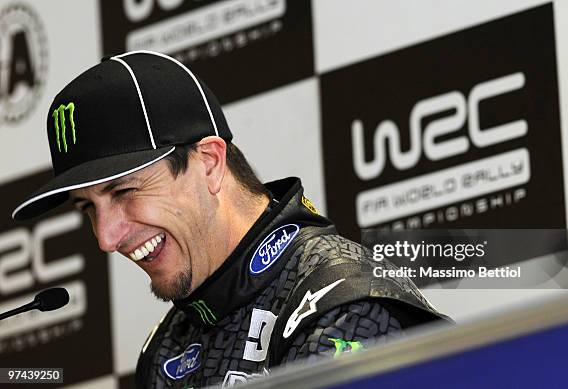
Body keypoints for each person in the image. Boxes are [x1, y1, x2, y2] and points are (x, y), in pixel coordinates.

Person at [12, 51, 448, 388]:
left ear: (209, 163)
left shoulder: (344, 307)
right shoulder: (168, 345)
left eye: (125, 192)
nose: (106, 238)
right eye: (88, 208)